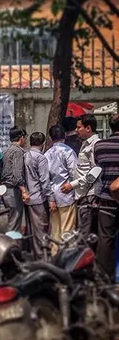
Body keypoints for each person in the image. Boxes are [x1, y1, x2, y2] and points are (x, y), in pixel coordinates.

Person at [61, 114, 100, 238]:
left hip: (89, 194)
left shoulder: (95, 145)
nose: (76, 130)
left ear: (88, 128)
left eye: (79, 127)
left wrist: (72, 185)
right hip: (83, 194)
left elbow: (95, 172)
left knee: (86, 233)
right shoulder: (85, 143)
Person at [94, 113, 119, 280]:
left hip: (106, 199)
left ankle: (105, 277)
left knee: (105, 239)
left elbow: (98, 165)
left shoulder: (100, 146)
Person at [24, 132, 55, 257]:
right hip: (39, 198)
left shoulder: (25, 155)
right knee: (42, 229)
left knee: (34, 230)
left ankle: (37, 256)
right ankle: (44, 257)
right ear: (42, 144)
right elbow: (44, 181)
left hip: (28, 197)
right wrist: (51, 198)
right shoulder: (40, 158)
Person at [45, 125, 78, 240]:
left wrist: (51, 199)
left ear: (50, 137)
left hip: (52, 197)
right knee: (67, 229)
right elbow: (74, 173)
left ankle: (55, 254)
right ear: (64, 136)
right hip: (66, 195)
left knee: (55, 231)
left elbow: (46, 178)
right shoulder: (68, 151)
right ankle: (66, 256)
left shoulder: (47, 154)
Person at [1, 126, 30, 232]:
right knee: (14, 224)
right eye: (25, 138)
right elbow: (17, 175)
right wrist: (24, 191)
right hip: (14, 191)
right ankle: (10, 246)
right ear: (21, 138)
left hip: (6, 190)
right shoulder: (18, 152)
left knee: (11, 221)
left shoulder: (6, 151)